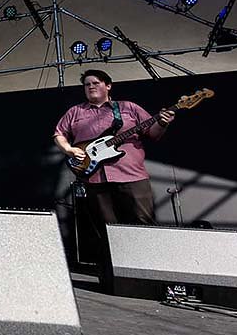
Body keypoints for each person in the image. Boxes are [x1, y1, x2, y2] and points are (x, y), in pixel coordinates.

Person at [53, 70, 175, 274]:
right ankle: (114, 274)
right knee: (106, 229)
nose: (90, 86)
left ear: (108, 85)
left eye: (96, 82)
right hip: (95, 178)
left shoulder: (128, 108)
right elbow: (59, 134)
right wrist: (69, 149)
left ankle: (150, 272)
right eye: (86, 84)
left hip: (132, 175)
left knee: (142, 223)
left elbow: (153, 133)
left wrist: (162, 122)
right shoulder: (75, 112)